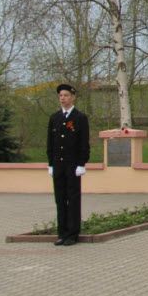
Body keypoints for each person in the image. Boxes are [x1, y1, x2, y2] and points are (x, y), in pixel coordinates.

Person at [47, 83, 90, 246]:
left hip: (73, 166)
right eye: (60, 96)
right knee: (60, 199)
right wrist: (51, 164)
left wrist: (81, 163)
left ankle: (72, 234)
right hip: (58, 165)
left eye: (66, 95)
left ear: (73, 97)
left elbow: (83, 143)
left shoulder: (80, 118)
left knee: (73, 199)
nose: (62, 98)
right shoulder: (55, 118)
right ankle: (62, 233)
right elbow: (50, 143)